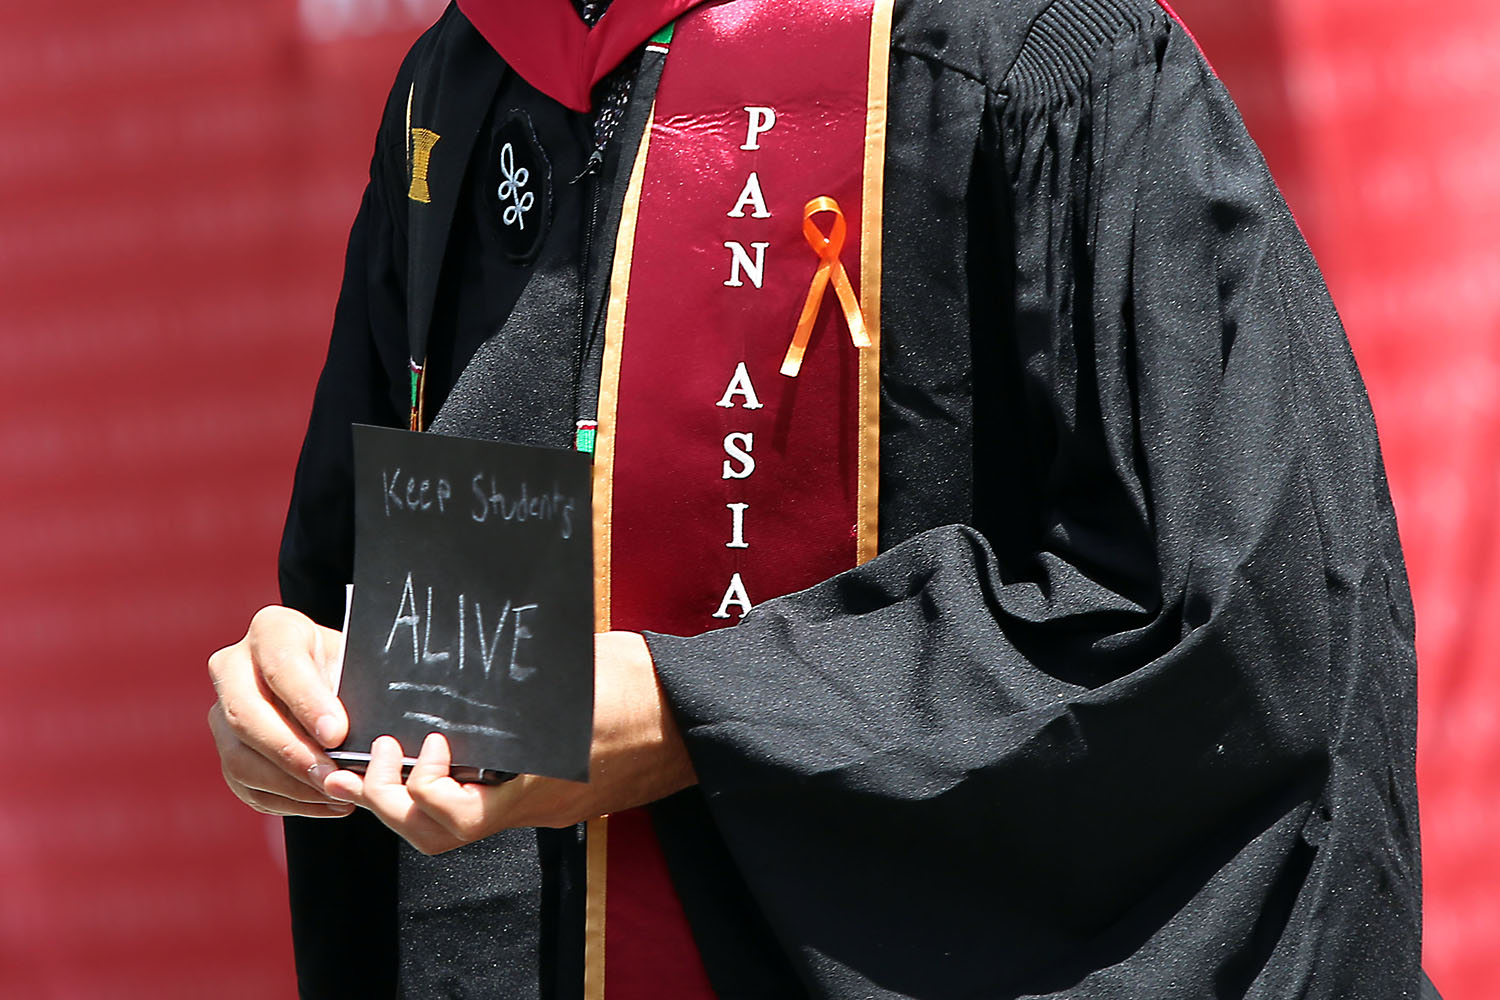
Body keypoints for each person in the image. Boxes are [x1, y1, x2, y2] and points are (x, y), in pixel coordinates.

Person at [207, 0, 1428, 996]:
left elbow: (1236, 636)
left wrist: (697, 716)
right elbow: (393, 616)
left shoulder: (1038, 51)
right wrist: (311, 691)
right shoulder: (465, 86)